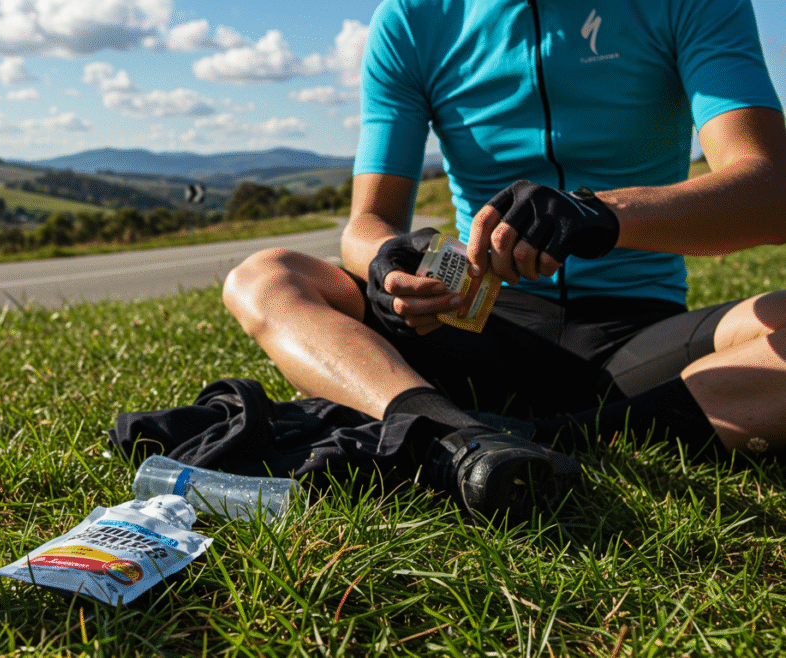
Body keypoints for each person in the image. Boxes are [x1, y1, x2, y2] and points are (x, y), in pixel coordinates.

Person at [222, 0, 786, 519]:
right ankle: (454, 435)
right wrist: (387, 262)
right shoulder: (413, 18)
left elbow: (770, 192)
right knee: (266, 276)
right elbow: (368, 225)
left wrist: (596, 215)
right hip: (480, 318)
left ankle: (525, 436)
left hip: (637, 333)